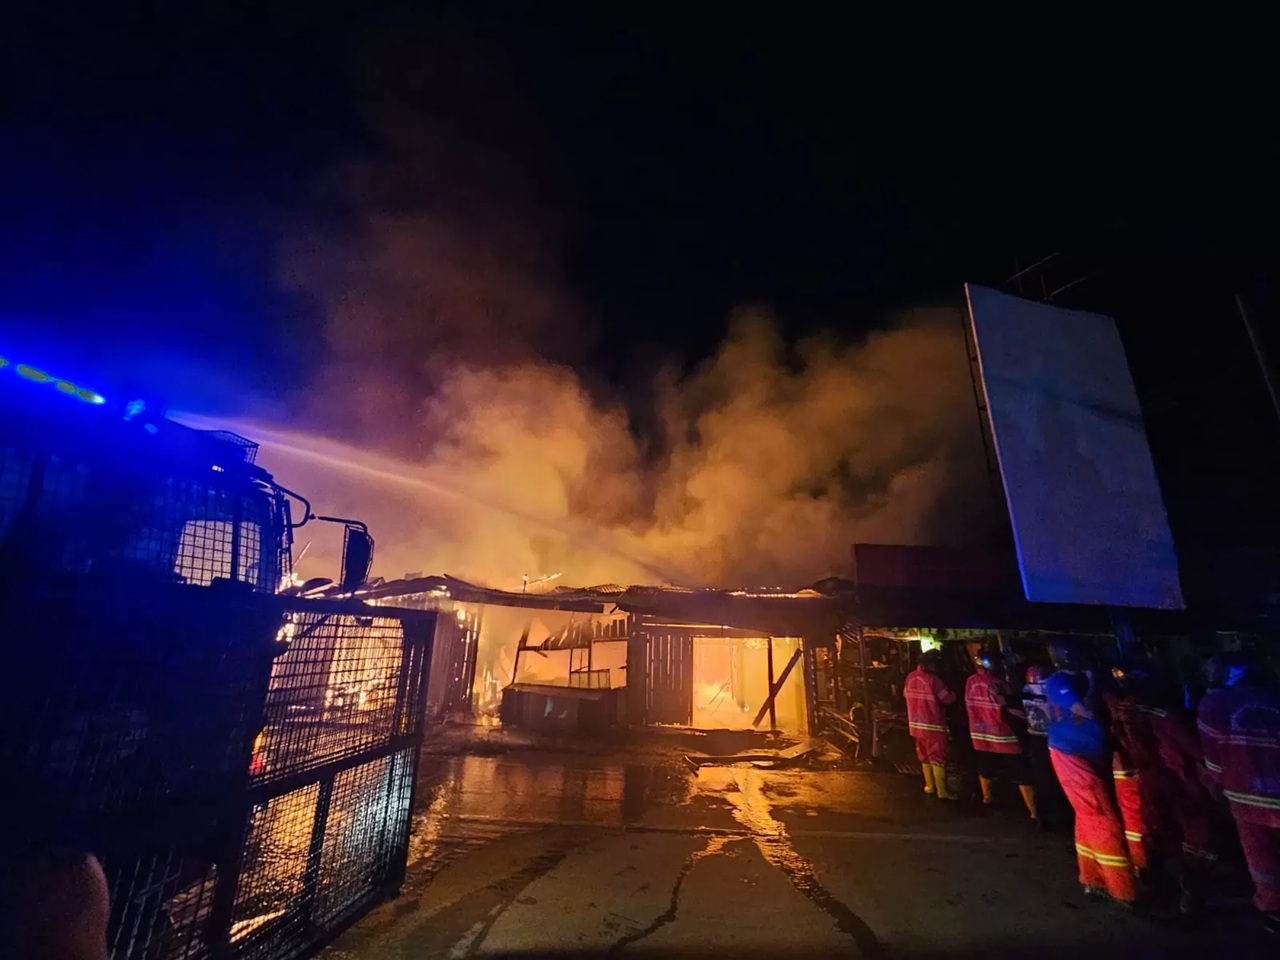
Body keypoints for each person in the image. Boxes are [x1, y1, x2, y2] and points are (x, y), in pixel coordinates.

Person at [1045, 639, 1136, 906]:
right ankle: (1122, 888)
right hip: (1070, 755)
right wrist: (1095, 685)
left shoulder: (1087, 677)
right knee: (1102, 818)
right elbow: (1083, 710)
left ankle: (1092, 879)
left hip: (1092, 754)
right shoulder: (1058, 681)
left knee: (1088, 816)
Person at [1197, 652, 1280, 934]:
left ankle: (1272, 908)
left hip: (1245, 796)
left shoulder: (1214, 704)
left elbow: (1214, 762)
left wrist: (1218, 786)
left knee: (1261, 856)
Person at [1140, 677, 1218, 916]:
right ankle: (1191, 898)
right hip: (1177, 779)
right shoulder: (1168, 716)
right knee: (1197, 837)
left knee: (1158, 830)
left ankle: (1157, 885)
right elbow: (1194, 749)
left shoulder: (1136, 709)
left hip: (1149, 777)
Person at [1106, 665, 1164, 880]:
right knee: (1138, 815)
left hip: (1130, 764)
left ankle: (1145, 863)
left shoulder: (1115, 701)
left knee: (1138, 814)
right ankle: (1143, 863)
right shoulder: (1135, 705)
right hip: (1134, 765)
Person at [965, 649, 1036, 818]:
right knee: (1021, 770)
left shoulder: (970, 681)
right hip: (1003, 732)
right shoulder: (998, 683)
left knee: (985, 766)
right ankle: (1033, 811)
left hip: (980, 732)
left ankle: (986, 797)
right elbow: (1011, 707)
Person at [905, 648, 957, 800]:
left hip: (915, 726)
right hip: (933, 726)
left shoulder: (910, 678)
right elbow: (948, 699)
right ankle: (942, 791)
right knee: (938, 757)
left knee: (924, 756)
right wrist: (955, 692)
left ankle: (930, 786)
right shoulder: (934, 680)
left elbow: (905, 695)